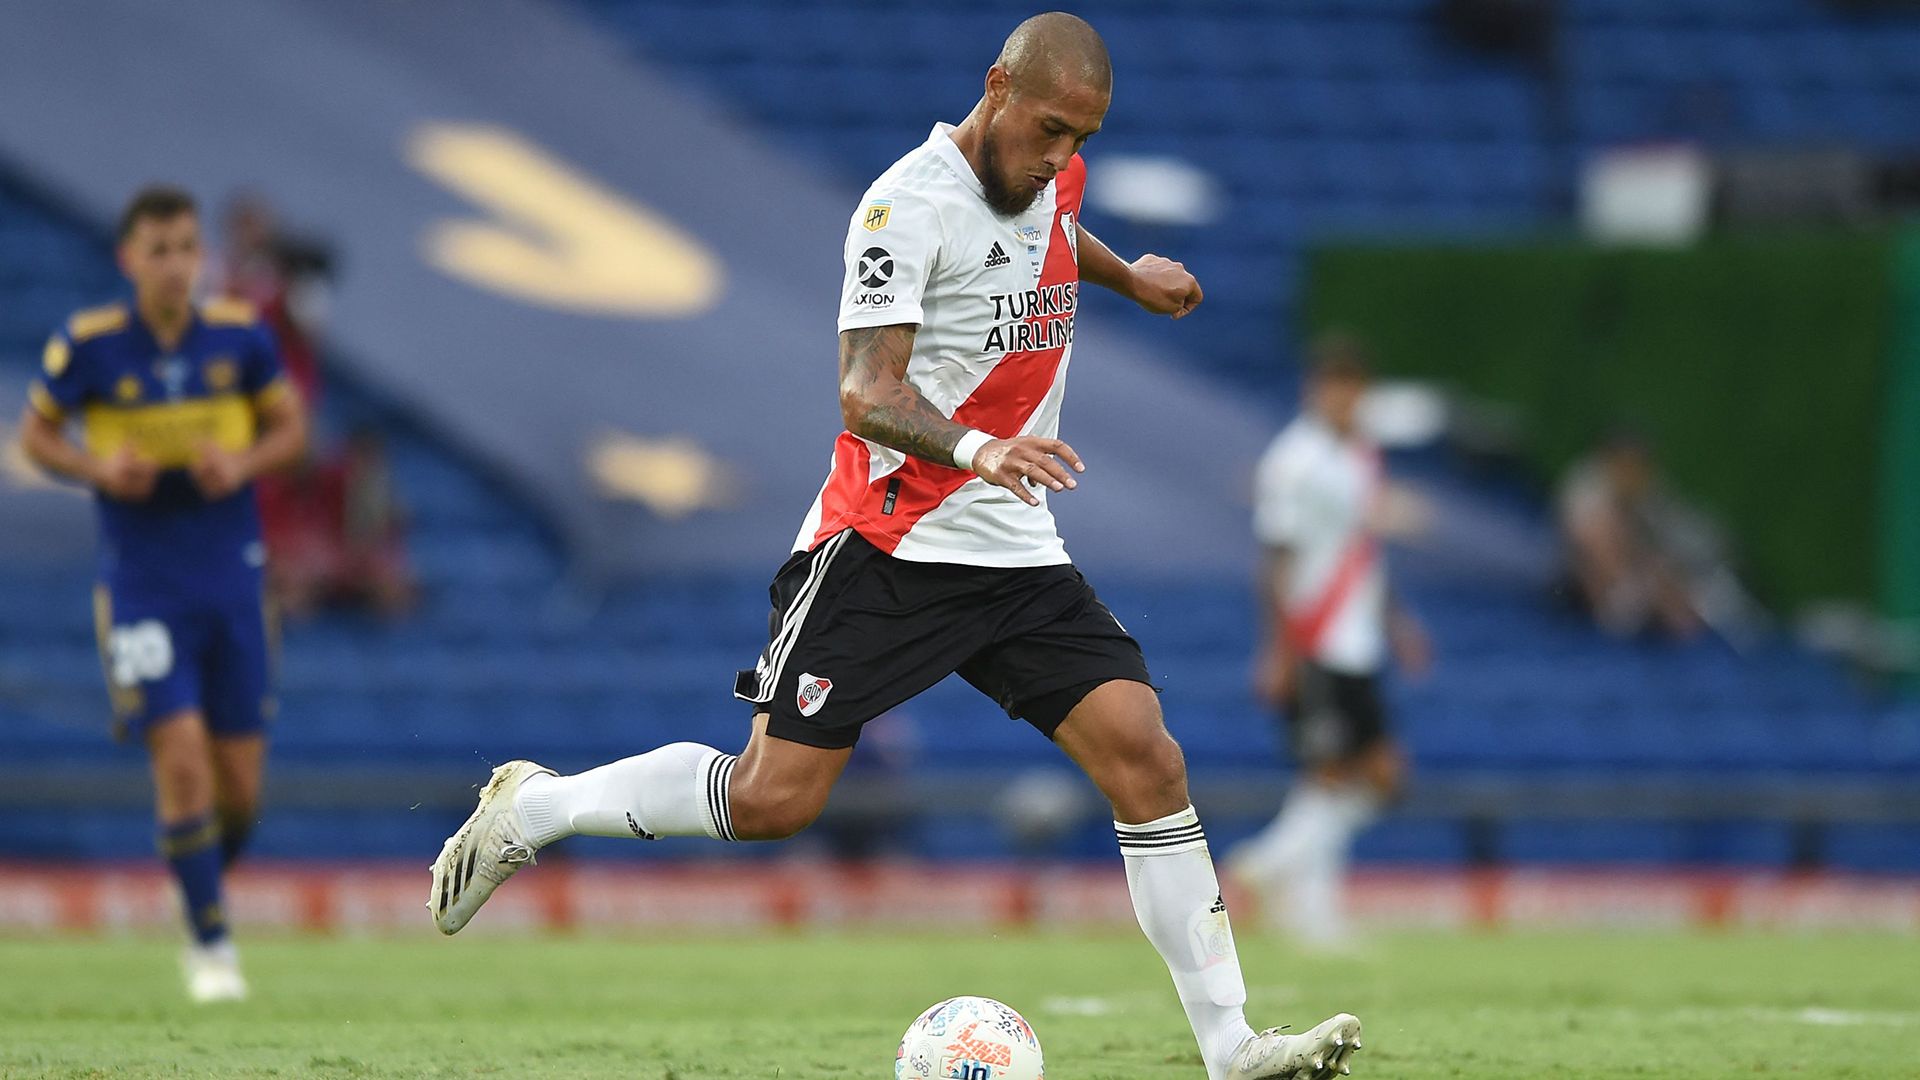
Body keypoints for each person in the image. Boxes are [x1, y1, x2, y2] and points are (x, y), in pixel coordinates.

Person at [429, 14, 1363, 1079]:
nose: (1064, 157)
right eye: (1052, 128)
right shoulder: (902, 208)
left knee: (1148, 757)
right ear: (997, 86)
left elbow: (1052, 228)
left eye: (1083, 139)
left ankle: (1233, 1045)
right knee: (773, 799)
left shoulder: (1053, 170)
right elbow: (865, 390)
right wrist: (978, 446)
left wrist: (1128, 277)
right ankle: (536, 806)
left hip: (1011, 548)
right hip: (887, 543)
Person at [16, 186, 308, 1002]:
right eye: (159, 248)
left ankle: (197, 897)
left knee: (239, 787)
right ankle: (213, 945)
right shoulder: (92, 345)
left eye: (187, 246)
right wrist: (97, 470)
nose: (176, 262)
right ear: (128, 258)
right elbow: (38, 434)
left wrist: (241, 464)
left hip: (233, 578)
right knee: (179, 757)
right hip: (144, 582)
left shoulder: (240, 335)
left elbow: (291, 429)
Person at [1228, 336, 1428, 951]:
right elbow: (1276, 558)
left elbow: (1361, 547)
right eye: (1334, 385)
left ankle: (1272, 868)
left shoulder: (1357, 456)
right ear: (1315, 390)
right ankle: (1304, 904)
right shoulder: (1296, 461)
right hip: (1315, 635)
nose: (1346, 398)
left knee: (1376, 776)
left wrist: (1397, 623)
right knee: (1332, 775)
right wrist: (1278, 650)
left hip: (1359, 635)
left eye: (1355, 386)